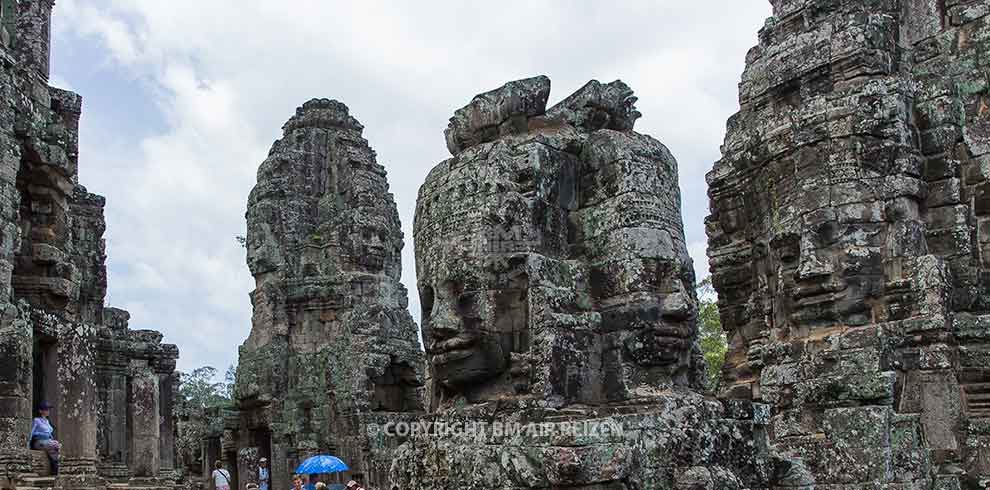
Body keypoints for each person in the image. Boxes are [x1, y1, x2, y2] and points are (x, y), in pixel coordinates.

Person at [29, 402, 60, 475]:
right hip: (38, 442)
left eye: (48, 409)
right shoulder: (36, 420)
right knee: (53, 445)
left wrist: (53, 441)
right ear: (40, 411)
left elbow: (49, 434)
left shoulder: (47, 421)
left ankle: (55, 467)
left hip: (47, 442)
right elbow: (31, 433)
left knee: (57, 446)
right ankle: (55, 468)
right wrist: (28, 445)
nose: (48, 411)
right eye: (46, 409)